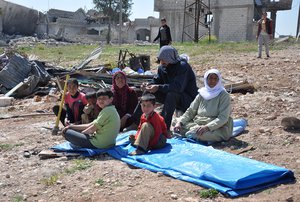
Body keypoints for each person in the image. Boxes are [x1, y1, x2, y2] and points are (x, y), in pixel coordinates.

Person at [128, 46, 198, 131]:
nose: (162, 62)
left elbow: (178, 87)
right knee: (148, 92)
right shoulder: (162, 67)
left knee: (172, 94)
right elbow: (157, 80)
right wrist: (148, 85)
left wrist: (158, 87)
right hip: (171, 96)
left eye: (164, 59)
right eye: (161, 59)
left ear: (171, 58)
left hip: (187, 99)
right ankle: (135, 122)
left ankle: (163, 127)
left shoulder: (183, 67)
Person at [174, 69, 233, 143]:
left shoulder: (224, 95)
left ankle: (192, 133)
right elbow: (191, 111)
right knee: (176, 123)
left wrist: (207, 127)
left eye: (215, 79)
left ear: (219, 80)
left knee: (197, 134)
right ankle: (190, 131)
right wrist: (180, 122)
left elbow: (223, 118)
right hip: (198, 123)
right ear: (206, 79)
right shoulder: (202, 94)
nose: (212, 81)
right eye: (210, 78)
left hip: (216, 127)